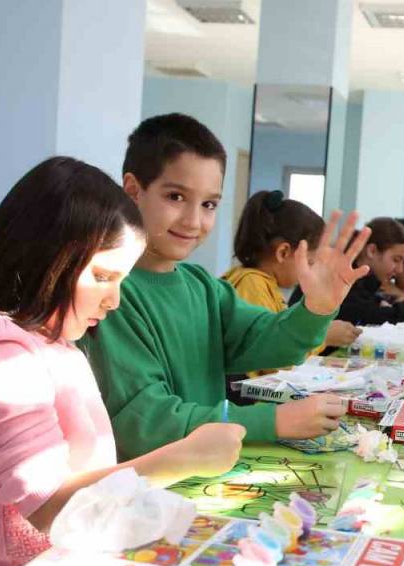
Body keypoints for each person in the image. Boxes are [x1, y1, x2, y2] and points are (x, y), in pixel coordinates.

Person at [0, 157, 244, 566]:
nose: (114, 300)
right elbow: (46, 504)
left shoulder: (56, 343)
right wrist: (181, 457)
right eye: (103, 277)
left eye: (121, 281)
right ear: (45, 257)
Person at [80, 113, 368, 459]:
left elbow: (269, 341)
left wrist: (316, 308)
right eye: (175, 196)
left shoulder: (201, 286)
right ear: (133, 191)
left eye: (209, 204)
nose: (193, 221)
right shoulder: (108, 295)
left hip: (203, 472)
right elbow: (146, 423)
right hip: (146, 482)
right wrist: (273, 421)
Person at [222, 189, 361, 361]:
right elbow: (268, 357)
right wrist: (323, 336)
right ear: (284, 252)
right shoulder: (251, 285)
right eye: (310, 262)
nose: (310, 271)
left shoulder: (263, 284)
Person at [329, 217, 404, 326]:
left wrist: (379, 301)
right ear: (372, 251)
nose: (399, 269)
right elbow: (364, 313)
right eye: (396, 260)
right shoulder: (342, 278)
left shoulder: (368, 282)